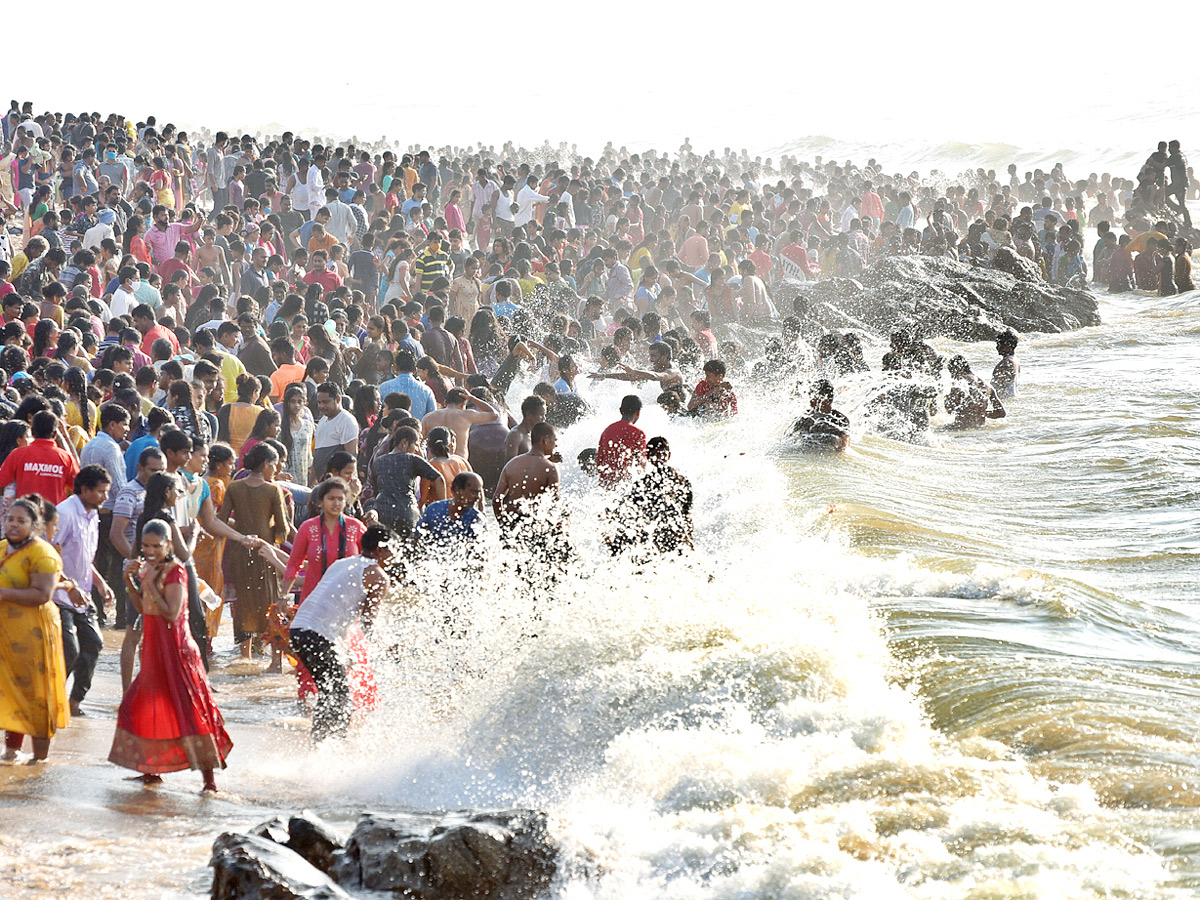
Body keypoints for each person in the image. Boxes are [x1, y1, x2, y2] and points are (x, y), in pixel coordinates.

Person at [108, 518, 231, 792]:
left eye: (156, 546)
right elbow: (143, 608)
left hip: (176, 650)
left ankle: (208, 781)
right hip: (153, 649)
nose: (150, 551)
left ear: (169, 545)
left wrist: (150, 583)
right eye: (145, 546)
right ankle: (151, 770)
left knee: (189, 710)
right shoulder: (148, 569)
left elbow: (171, 613)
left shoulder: (176, 571)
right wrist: (130, 580)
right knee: (144, 705)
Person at [287, 524, 395, 741]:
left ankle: (319, 747)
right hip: (317, 635)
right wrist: (388, 645)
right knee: (341, 698)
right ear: (381, 549)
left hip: (299, 630)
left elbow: (338, 610)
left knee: (331, 694)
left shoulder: (342, 563)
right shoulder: (378, 576)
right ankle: (331, 751)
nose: (396, 554)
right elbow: (367, 624)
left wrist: (344, 651)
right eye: (394, 548)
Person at [0, 496, 68, 762]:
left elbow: (42, 594)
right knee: (9, 690)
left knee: (37, 695)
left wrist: (3, 593)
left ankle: (40, 761)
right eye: (10, 519)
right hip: (6, 633)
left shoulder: (43, 553)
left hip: (34, 634)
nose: (14, 525)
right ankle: (11, 752)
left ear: (35, 524)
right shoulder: (3, 548)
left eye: (21, 521)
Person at [218, 442, 292, 658]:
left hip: (239, 551)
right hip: (264, 552)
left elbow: (222, 521)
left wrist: (242, 530)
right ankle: (268, 651)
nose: (276, 469)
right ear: (266, 464)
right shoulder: (272, 490)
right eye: (275, 464)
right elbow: (282, 531)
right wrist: (265, 531)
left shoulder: (234, 486)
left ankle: (245, 655)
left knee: (243, 602)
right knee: (269, 601)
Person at [53, 465, 113, 716]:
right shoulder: (64, 513)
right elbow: (49, 555)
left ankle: (74, 702)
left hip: (83, 597)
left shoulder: (92, 515)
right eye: (101, 492)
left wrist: (101, 583)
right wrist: (69, 584)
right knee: (70, 650)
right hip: (58, 595)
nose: (105, 498)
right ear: (85, 489)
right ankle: (50, 700)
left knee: (94, 643)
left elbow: (85, 558)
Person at [607, 436, 694, 556]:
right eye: (655, 454)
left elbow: (686, 513)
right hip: (657, 535)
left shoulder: (680, 481)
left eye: (661, 454)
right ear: (648, 457)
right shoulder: (644, 484)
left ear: (668, 455)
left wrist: (688, 537)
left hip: (668, 535)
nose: (658, 458)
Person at [369, 425, 443, 538]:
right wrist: (444, 506)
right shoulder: (411, 459)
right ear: (404, 443)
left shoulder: (378, 462)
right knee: (410, 550)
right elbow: (439, 478)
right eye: (416, 444)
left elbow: (376, 490)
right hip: (407, 513)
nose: (417, 449)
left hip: (383, 513)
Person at [0, 410, 79, 504]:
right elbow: (80, 487)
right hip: (55, 516)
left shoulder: (17, 454)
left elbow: (2, 480)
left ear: (32, 432)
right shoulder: (66, 458)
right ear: (54, 435)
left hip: (27, 515)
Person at [419, 387, 499, 465]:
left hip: (434, 465)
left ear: (445, 402)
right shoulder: (466, 415)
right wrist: (472, 398)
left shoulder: (428, 417)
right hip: (458, 465)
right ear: (462, 405)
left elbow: (418, 443)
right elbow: (494, 414)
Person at [416, 471, 484, 547]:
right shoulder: (434, 510)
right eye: (473, 492)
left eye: (479, 493)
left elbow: (483, 551)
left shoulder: (477, 518)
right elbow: (415, 539)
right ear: (458, 490)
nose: (478, 497)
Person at [596, 395, 647, 488]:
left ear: (620, 411)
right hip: (624, 483)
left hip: (605, 483)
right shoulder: (637, 433)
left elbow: (599, 461)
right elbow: (641, 465)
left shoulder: (607, 431)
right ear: (638, 412)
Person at [311, 382, 359, 482]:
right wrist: (310, 484)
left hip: (338, 484)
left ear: (337, 399)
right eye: (319, 402)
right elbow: (318, 456)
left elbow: (352, 455)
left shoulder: (346, 421)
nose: (321, 406)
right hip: (323, 483)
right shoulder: (322, 421)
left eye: (325, 402)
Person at [945, 355, 1006, 428]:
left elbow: (950, 409)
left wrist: (947, 399)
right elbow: (1001, 413)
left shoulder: (961, 383)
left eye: (951, 372)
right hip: (980, 427)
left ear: (956, 369)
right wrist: (981, 413)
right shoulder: (988, 387)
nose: (952, 376)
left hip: (962, 428)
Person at [791, 380, 851, 450]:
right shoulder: (805, 417)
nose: (810, 400)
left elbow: (844, 447)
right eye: (810, 395)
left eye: (813, 396)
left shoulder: (840, 419)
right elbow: (791, 439)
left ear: (825, 398)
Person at [991, 331, 1020, 399]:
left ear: (1008, 345)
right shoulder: (1015, 360)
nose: (997, 347)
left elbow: (999, 385)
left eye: (999, 344)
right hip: (1013, 397)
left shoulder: (1006, 363)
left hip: (1005, 400)